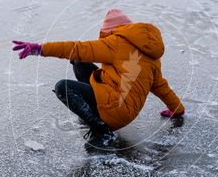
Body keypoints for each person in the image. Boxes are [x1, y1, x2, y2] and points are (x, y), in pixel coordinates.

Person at [12, 8, 185, 149]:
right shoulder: (151, 55)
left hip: (114, 109)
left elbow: (76, 48)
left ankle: (101, 130)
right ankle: (93, 115)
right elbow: (161, 86)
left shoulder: (115, 42)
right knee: (80, 63)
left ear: (110, 31)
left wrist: (40, 49)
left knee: (63, 87)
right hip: (125, 110)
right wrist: (177, 109)